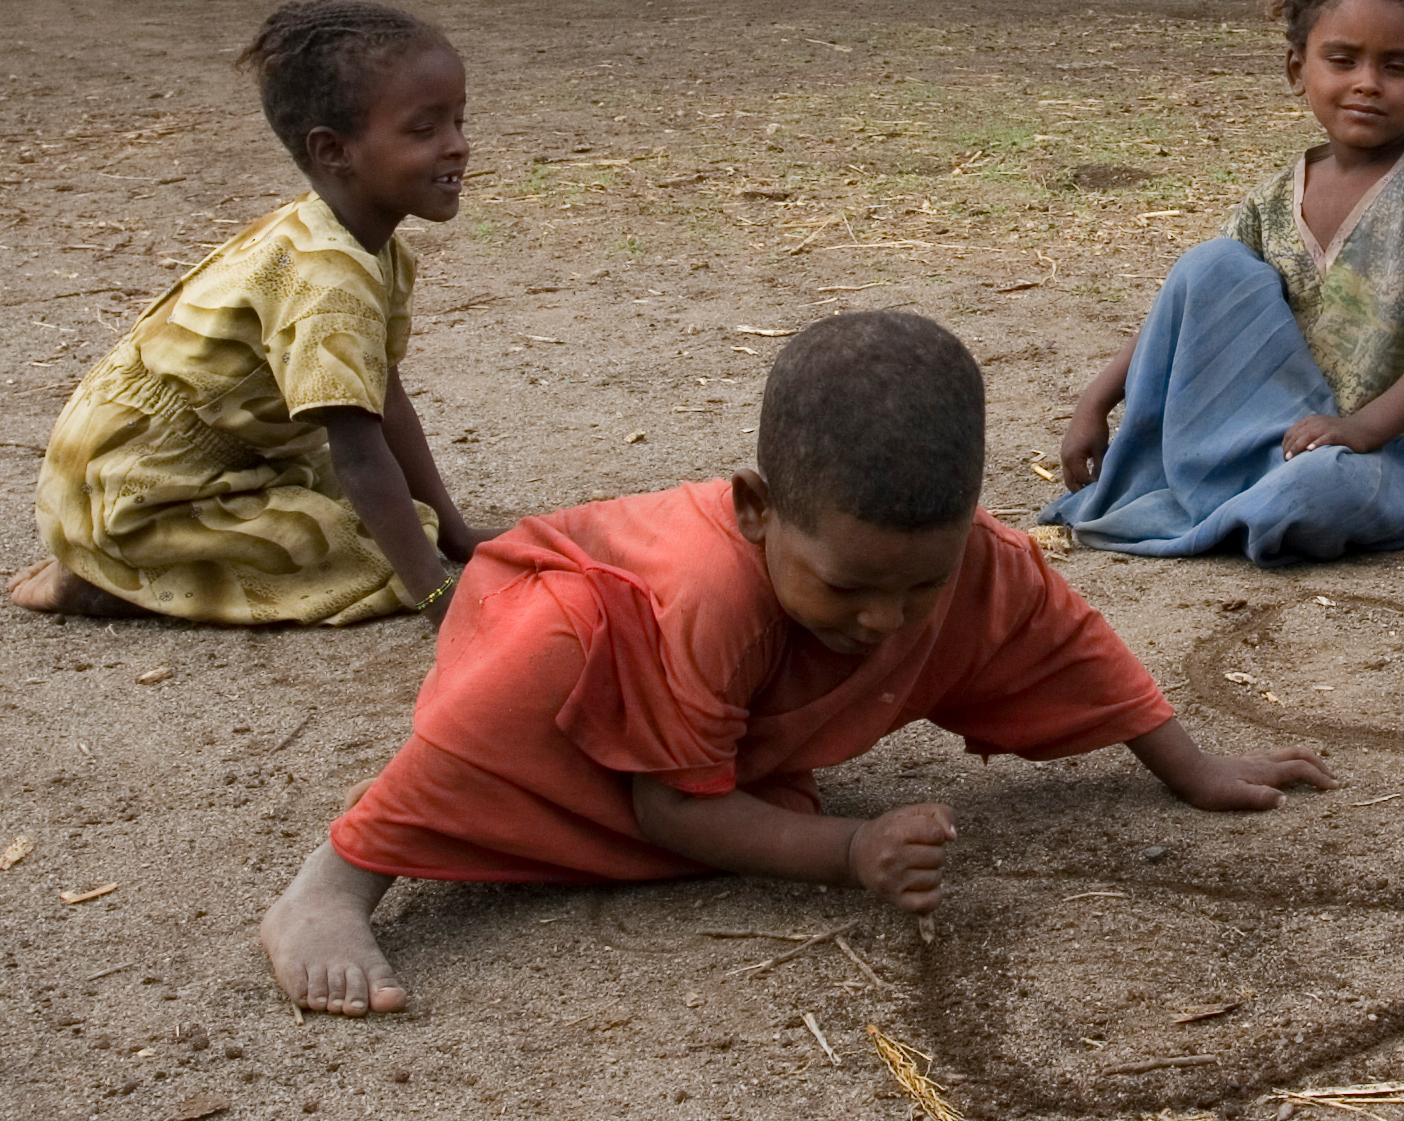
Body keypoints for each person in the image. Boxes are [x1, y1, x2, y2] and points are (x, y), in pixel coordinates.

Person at [262, 310, 1331, 1016]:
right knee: (544, 658)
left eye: (919, 586)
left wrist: (1190, 765)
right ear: (757, 508)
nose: (883, 619)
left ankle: (734, 794)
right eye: (849, 585)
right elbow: (670, 808)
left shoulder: (975, 562)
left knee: (751, 788)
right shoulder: (712, 584)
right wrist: (848, 848)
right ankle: (341, 871)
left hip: (708, 736)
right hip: (567, 641)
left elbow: (1070, 649)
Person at [8, 0, 484, 626]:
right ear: (334, 150)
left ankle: (118, 553)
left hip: (204, 463)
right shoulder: (326, 280)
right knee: (360, 554)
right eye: (424, 131)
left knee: (396, 523)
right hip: (143, 493)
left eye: (457, 121)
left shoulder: (363, 245)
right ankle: (110, 572)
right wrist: (434, 597)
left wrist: (456, 538)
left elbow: (383, 401)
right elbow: (361, 455)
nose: (457, 147)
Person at [1046, 0, 1404, 562]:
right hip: (1288, 434)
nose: (1367, 82)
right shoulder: (1272, 200)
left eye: (1396, 66)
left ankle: (1246, 498)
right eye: (1342, 60)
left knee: (1317, 492)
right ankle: (1246, 488)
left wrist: (1363, 431)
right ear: (1297, 71)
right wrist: (1096, 401)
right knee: (1208, 264)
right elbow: (1188, 309)